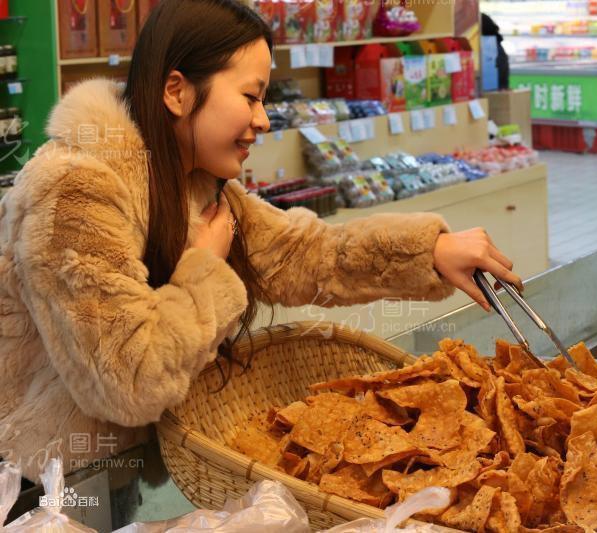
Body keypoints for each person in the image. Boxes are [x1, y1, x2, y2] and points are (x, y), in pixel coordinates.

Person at [0, 0, 522, 484]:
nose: (263, 119)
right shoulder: (74, 191)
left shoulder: (197, 180)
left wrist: (429, 252)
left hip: (140, 465)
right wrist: (204, 267)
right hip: (52, 483)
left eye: (264, 98)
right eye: (250, 96)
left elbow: (305, 255)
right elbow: (128, 380)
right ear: (176, 91)